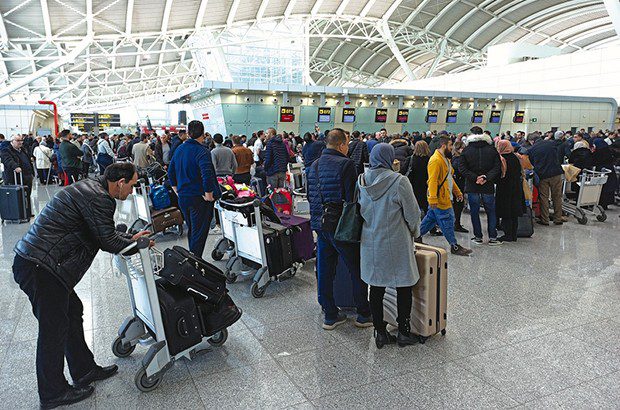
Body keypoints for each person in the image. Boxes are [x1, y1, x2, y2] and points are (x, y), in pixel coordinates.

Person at [12, 162, 150, 409]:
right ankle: (52, 393)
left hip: (40, 263)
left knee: (72, 313)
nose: (131, 192)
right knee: (52, 331)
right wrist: (136, 245)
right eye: (131, 185)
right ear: (120, 182)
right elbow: (107, 240)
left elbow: (99, 231)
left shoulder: (91, 189)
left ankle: (84, 370)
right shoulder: (99, 197)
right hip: (41, 267)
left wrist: (130, 239)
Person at [306, 128, 372, 330]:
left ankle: (330, 314)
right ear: (342, 144)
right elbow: (352, 197)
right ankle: (363, 313)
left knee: (325, 269)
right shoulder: (346, 164)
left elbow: (310, 196)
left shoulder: (314, 166)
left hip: (320, 224)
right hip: (341, 226)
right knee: (355, 268)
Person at [358, 143, 421, 348]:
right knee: (404, 286)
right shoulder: (399, 181)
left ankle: (380, 332)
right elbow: (412, 214)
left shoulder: (361, 180)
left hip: (371, 242)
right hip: (396, 241)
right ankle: (403, 332)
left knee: (376, 288)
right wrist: (415, 233)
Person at [167, 120, 220, 257]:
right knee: (199, 233)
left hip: (184, 198)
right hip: (199, 199)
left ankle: (192, 260)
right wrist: (208, 194)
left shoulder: (180, 149)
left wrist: (176, 190)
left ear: (188, 133)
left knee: (193, 230)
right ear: (202, 134)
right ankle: (194, 264)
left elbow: (170, 172)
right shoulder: (202, 151)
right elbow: (207, 174)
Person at [418, 136, 472, 256]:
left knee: (430, 219)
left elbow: (448, 178)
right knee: (448, 221)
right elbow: (432, 181)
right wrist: (432, 198)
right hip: (439, 198)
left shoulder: (445, 160)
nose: (451, 148)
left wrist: (457, 192)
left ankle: (416, 237)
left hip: (443, 196)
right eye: (450, 145)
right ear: (443, 146)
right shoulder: (435, 161)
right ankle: (454, 246)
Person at [458, 127, 502, 245]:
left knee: (474, 211)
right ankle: (493, 237)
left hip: (473, 185)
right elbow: (497, 167)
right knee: (491, 211)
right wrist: (486, 177)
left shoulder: (466, 150)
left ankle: (478, 236)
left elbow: (462, 168)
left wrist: (474, 178)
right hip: (488, 185)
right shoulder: (492, 150)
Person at [526, 132, 565, 225]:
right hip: (556, 173)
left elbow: (532, 163)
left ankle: (545, 219)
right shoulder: (551, 143)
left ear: (532, 141)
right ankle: (558, 218)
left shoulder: (532, 149)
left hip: (543, 175)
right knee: (557, 196)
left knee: (544, 197)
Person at [495, 140, 525, 242]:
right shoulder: (516, 157)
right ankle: (514, 235)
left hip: (505, 189)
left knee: (506, 212)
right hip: (516, 187)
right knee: (514, 212)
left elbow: (499, 175)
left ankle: (507, 235)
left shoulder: (502, 159)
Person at [1, 135, 35, 208]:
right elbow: (8, 160)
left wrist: (32, 173)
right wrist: (15, 167)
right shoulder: (6, 151)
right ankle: (18, 212)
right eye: (18, 141)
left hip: (27, 176)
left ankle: (27, 211)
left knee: (27, 194)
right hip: (16, 177)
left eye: (21, 140)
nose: (20, 142)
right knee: (17, 195)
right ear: (11, 142)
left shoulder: (23, 149)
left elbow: (28, 160)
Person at [401, 140, 430, 214]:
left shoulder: (410, 159)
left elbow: (403, 171)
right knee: (426, 206)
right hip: (426, 186)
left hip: (412, 186)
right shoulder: (430, 160)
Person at [592, 138, 618, 209]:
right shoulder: (608, 150)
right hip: (610, 170)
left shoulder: (598, 152)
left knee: (602, 187)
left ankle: (601, 203)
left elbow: (595, 161)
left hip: (601, 170)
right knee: (608, 187)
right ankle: (606, 204)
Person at [451, 141, 469, 233]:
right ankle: (456, 224)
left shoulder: (454, 158)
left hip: (456, 183)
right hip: (458, 184)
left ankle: (456, 223)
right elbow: (461, 171)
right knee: (458, 205)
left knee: (457, 205)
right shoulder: (458, 159)